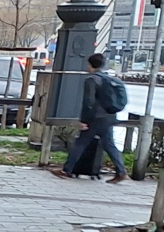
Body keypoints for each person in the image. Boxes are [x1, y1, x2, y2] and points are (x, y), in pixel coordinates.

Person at [54, 52, 129, 183]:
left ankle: (66, 170)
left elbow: (88, 102)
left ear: (90, 65)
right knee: (109, 144)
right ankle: (121, 171)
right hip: (109, 116)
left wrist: (83, 121)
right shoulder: (110, 80)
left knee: (81, 143)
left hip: (95, 118)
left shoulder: (92, 80)